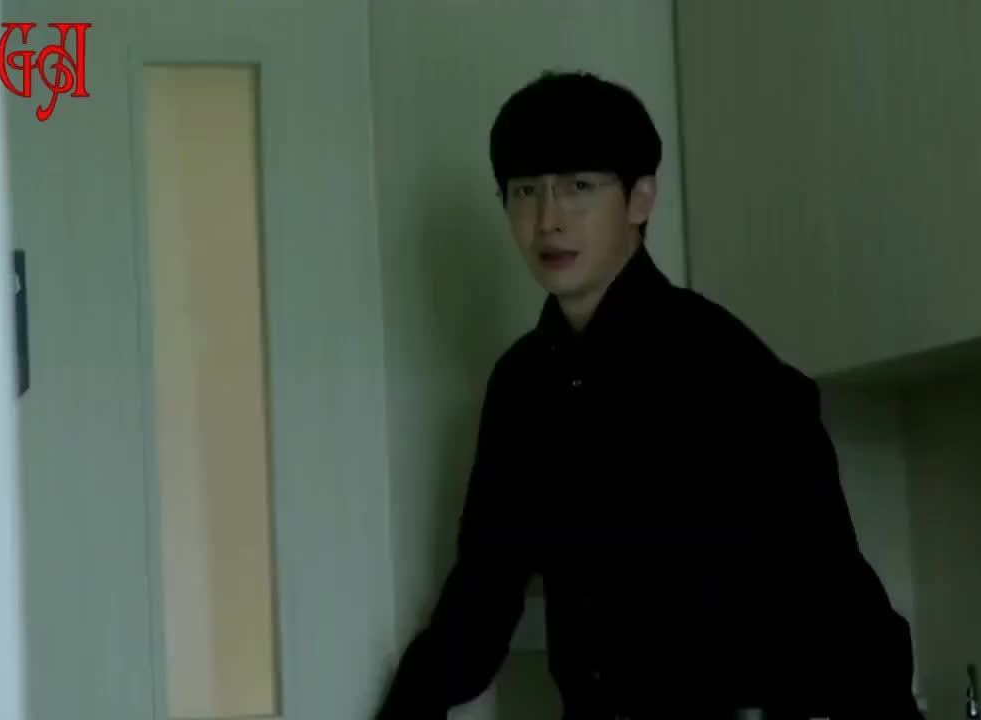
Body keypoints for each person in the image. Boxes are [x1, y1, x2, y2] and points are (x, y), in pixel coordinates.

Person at [375, 70, 922, 720]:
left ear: (640, 198)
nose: (548, 220)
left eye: (578, 187)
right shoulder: (522, 384)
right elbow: (482, 595)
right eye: (526, 191)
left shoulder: (726, 365)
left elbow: (835, 594)